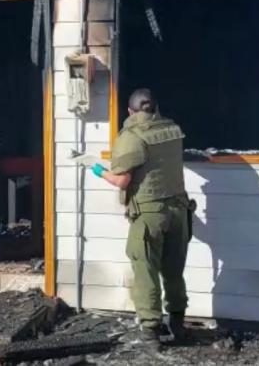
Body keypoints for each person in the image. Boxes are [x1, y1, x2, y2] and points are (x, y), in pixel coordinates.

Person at [91, 88, 191, 347]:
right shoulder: (171, 128)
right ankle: (178, 325)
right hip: (179, 211)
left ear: (129, 112)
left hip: (149, 215)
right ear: (155, 107)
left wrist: (98, 170)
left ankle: (150, 332)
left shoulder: (132, 136)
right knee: (174, 271)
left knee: (146, 271)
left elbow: (123, 181)